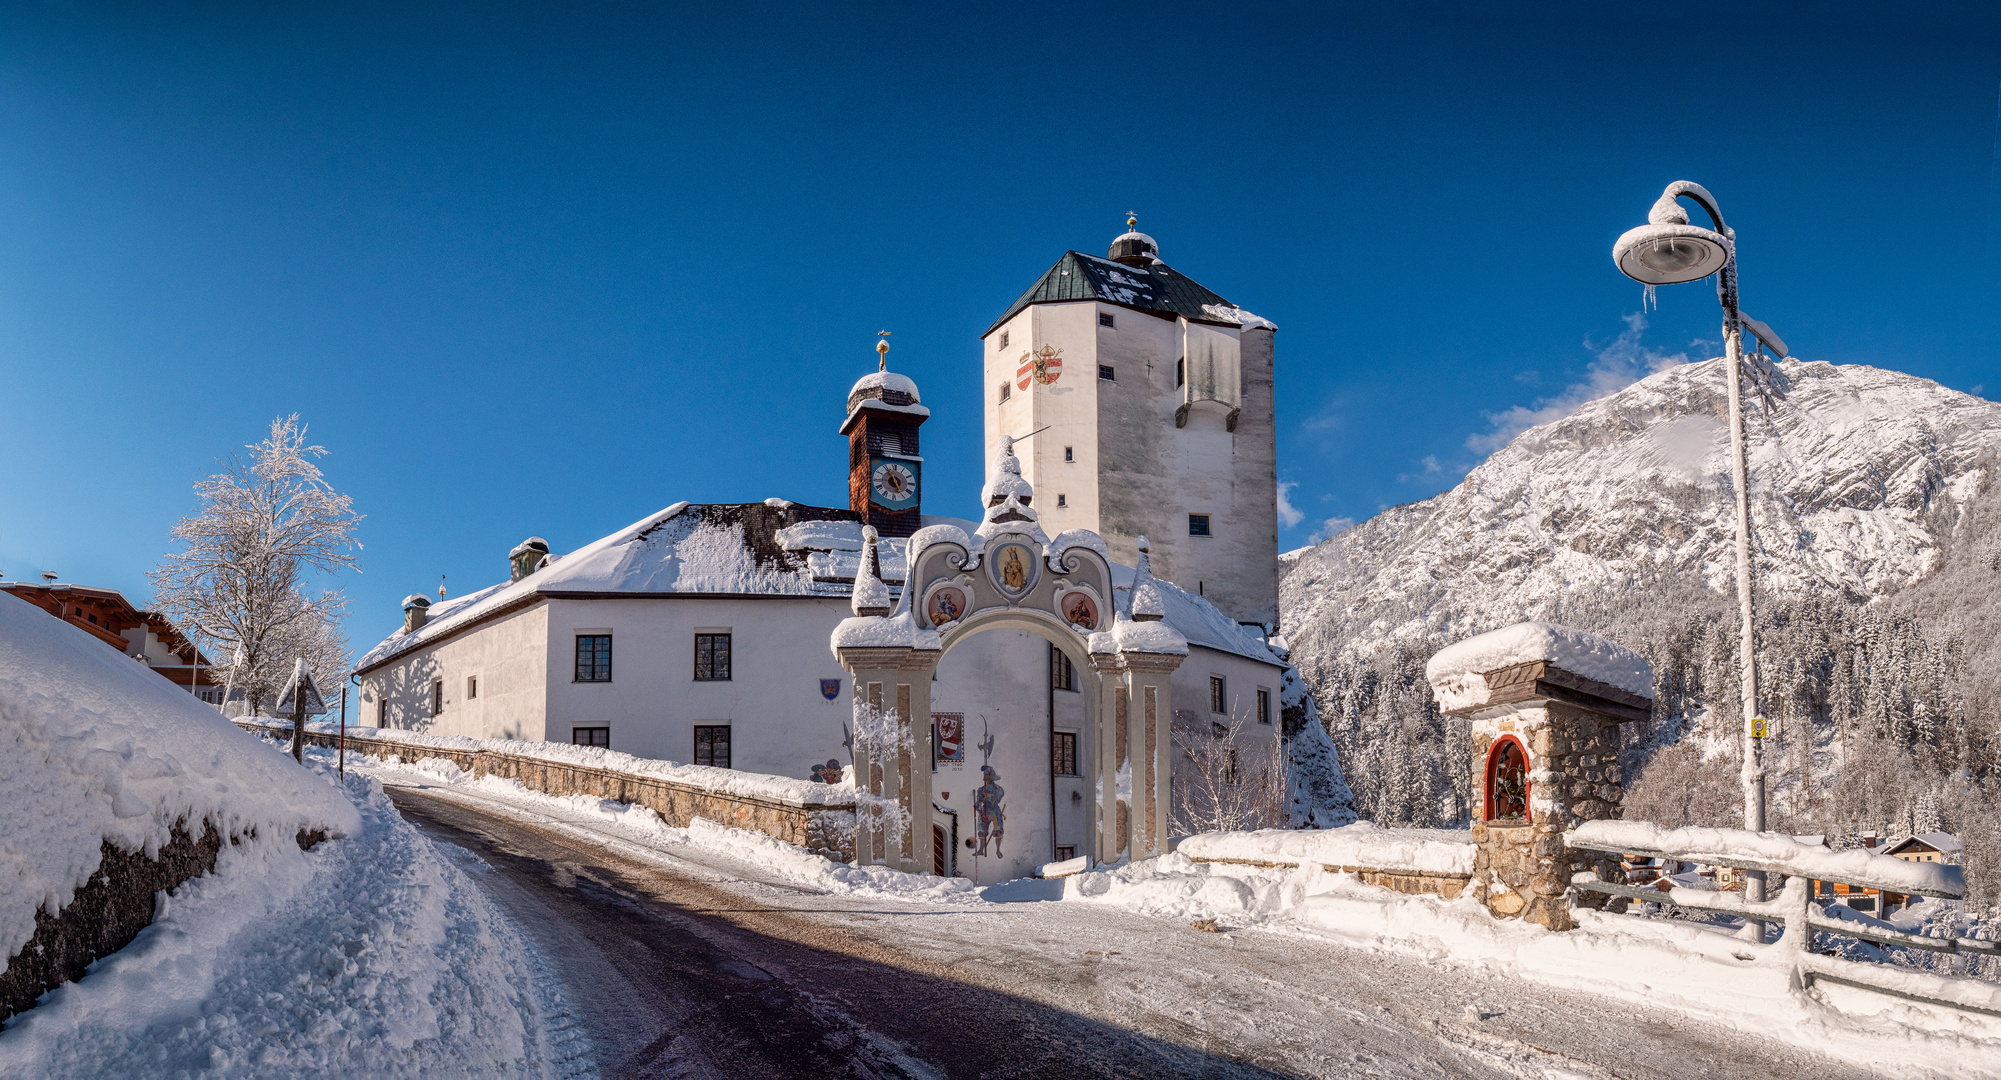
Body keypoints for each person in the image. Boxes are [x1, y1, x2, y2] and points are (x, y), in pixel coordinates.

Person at [974, 765, 1006, 856]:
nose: (986, 777)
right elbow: (977, 804)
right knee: (982, 830)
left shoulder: (999, 790)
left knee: (998, 830)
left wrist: (987, 797)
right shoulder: (981, 790)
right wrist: (981, 813)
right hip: (985, 811)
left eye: (988, 774)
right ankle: (981, 850)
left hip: (995, 811)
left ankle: (998, 850)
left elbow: (997, 800)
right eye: (985, 775)